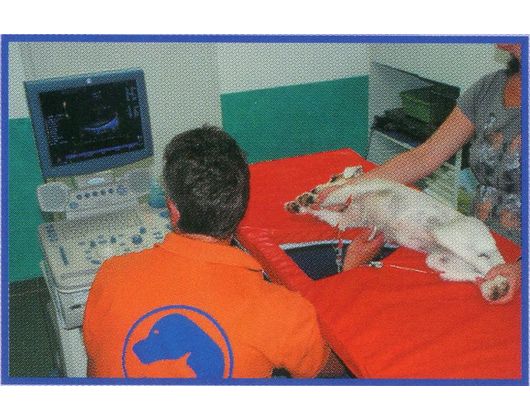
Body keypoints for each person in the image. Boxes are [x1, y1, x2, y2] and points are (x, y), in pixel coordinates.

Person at [83, 125, 344, 378]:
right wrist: (346, 276)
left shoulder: (110, 275)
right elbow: (335, 369)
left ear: (173, 210)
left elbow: (96, 369)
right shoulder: (282, 312)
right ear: (242, 206)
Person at [345, 43, 522, 303]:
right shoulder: (490, 87)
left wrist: (521, 270)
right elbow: (424, 156)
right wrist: (349, 188)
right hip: (474, 246)